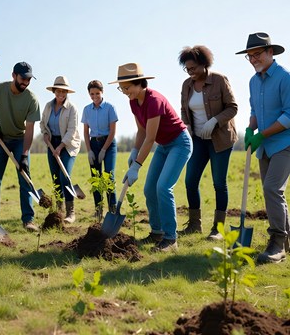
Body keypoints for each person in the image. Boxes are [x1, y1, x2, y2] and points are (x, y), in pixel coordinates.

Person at [109, 63, 192, 252]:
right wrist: (134, 151)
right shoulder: (133, 102)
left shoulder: (154, 100)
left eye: (127, 87)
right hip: (164, 146)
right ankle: (157, 232)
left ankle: (171, 239)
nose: (124, 92)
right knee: (149, 189)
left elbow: (151, 138)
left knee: (163, 187)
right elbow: (141, 130)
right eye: (121, 88)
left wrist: (137, 165)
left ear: (139, 83)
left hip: (179, 143)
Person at [236, 32, 290, 264]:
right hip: (265, 147)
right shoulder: (253, 80)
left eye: (257, 54)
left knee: (272, 189)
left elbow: (289, 114)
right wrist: (250, 129)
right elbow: (255, 111)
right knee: (273, 194)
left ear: (270, 52)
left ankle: (277, 243)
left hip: (284, 143)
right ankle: (286, 240)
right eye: (249, 56)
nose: (253, 59)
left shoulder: (285, 78)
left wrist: (263, 135)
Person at [178, 45, 238, 240]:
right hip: (198, 141)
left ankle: (218, 229)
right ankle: (194, 225)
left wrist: (214, 121)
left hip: (220, 139)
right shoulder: (186, 85)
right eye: (187, 69)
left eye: (193, 68)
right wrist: (186, 125)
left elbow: (232, 107)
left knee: (219, 183)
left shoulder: (219, 80)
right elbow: (184, 110)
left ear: (204, 64)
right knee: (190, 180)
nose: (191, 72)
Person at [0, 62, 40, 232]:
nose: (26, 82)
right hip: (0, 138)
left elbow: (30, 129)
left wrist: (24, 154)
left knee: (24, 178)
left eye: (29, 79)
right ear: (14, 75)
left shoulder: (31, 99)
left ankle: (28, 219)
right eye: (23, 78)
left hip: (19, 140)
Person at [40, 76, 80, 223]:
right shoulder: (48, 106)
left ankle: (71, 212)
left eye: (64, 92)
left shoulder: (72, 108)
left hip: (68, 145)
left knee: (65, 176)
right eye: (58, 91)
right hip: (52, 143)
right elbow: (42, 123)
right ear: (54, 91)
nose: (61, 94)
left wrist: (61, 146)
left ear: (67, 93)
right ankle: (59, 210)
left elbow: (72, 130)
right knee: (56, 178)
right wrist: (45, 134)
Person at [81, 80, 118, 218]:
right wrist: (89, 150)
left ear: (102, 92)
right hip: (94, 144)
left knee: (108, 176)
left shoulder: (110, 108)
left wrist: (104, 150)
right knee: (96, 177)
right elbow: (85, 132)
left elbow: (113, 131)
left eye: (97, 93)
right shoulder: (86, 109)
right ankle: (98, 210)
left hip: (108, 144)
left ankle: (113, 210)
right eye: (92, 94)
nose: (95, 96)